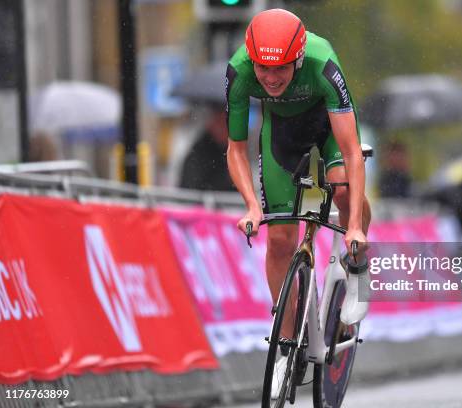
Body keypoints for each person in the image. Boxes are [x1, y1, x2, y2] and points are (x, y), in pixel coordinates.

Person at [225, 8, 371, 396]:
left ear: (299, 59)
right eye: (263, 70)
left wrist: (353, 223)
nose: (270, 79)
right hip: (282, 138)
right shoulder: (239, 69)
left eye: (281, 70)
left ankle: (357, 266)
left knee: (342, 190)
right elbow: (236, 148)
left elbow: (352, 152)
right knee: (278, 239)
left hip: (328, 129)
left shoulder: (323, 65)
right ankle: (287, 346)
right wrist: (252, 206)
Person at [179, 105, 235, 191]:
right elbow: (191, 186)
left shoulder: (228, 150)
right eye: (225, 124)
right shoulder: (200, 154)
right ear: (214, 123)